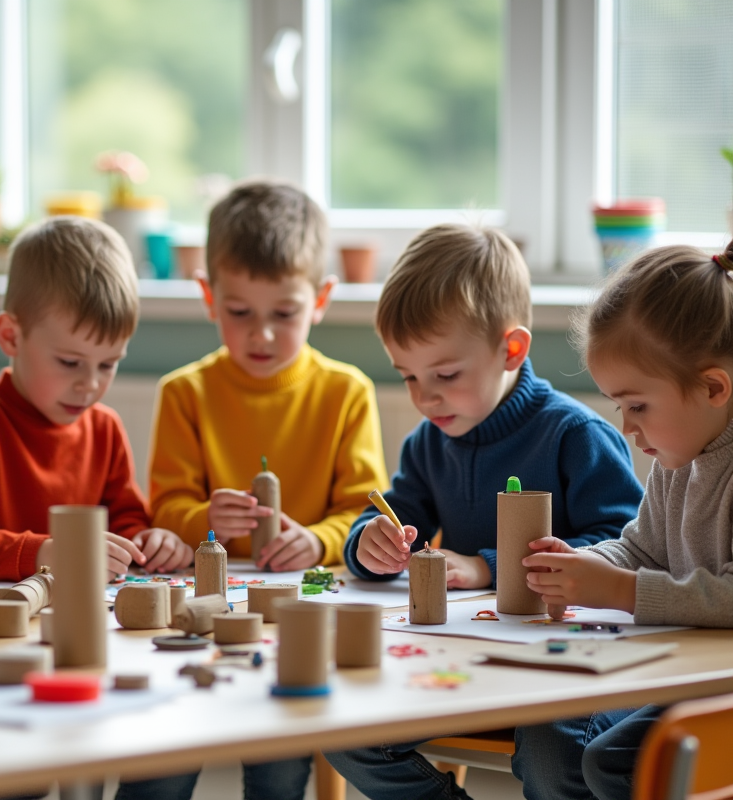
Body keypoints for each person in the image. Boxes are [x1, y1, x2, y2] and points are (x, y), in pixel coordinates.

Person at [325, 223, 643, 800]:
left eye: (445, 375)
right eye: (409, 377)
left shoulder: (576, 434)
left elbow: (621, 541)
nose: (425, 397)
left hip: (563, 662)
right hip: (466, 659)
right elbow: (392, 515)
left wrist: (486, 565)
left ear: (511, 349)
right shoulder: (428, 442)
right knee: (340, 721)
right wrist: (368, 545)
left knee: (553, 753)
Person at [519, 243, 733, 800]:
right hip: (686, 668)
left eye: (637, 406)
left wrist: (619, 589)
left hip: (719, 685)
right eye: (620, 408)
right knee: (547, 731)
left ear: (713, 388)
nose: (628, 428)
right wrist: (584, 564)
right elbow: (641, 549)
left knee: (612, 762)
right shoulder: (679, 456)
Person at [0, 215, 191, 582]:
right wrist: (46, 553)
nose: (90, 384)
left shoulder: (105, 427)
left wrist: (148, 541)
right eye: (70, 362)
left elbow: (126, 520)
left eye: (108, 364)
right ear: (12, 337)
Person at [150, 179, 388, 574]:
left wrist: (317, 541)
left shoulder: (348, 392)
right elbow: (164, 511)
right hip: (215, 583)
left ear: (321, 300)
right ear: (209, 298)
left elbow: (364, 511)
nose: (262, 335)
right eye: (240, 312)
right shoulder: (184, 393)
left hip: (312, 584)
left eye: (284, 314)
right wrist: (206, 519)